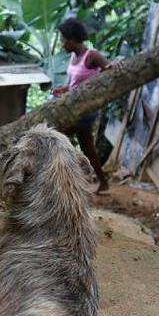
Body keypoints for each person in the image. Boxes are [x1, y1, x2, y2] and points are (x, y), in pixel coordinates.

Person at [52, 17, 116, 193]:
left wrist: (115, 67)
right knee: (87, 144)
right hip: (73, 106)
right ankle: (102, 182)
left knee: (58, 137)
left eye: (63, 40)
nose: (62, 44)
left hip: (85, 110)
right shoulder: (74, 56)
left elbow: (110, 70)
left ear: (72, 40)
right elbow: (75, 83)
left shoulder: (91, 55)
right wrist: (64, 89)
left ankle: (66, 180)